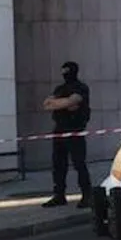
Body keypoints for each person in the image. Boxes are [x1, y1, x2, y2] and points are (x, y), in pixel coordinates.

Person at [42, 61, 92, 208]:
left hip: (75, 130)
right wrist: (66, 103)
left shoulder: (81, 87)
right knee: (58, 165)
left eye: (67, 70)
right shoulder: (60, 88)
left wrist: (59, 103)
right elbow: (47, 104)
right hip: (59, 131)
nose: (65, 73)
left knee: (79, 164)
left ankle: (87, 195)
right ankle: (59, 195)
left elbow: (73, 101)